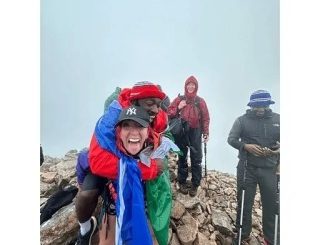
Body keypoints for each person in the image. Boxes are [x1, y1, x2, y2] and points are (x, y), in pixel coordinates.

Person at [75, 82, 170, 245]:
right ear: (135, 101)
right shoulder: (111, 118)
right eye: (150, 104)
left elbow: (161, 134)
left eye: (158, 104)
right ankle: (86, 229)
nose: (155, 109)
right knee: (87, 195)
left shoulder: (158, 116)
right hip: (106, 164)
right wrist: (149, 170)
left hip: (133, 157)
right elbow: (98, 163)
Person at [227, 90, 280, 245]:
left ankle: (271, 239)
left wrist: (277, 151)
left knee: (272, 205)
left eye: (264, 105)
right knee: (244, 202)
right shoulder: (241, 120)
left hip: (271, 169)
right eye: (257, 106)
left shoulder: (279, 120)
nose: (261, 109)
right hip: (246, 167)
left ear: (268, 104)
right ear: (251, 106)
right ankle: (243, 236)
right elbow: (231, 139)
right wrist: (246, 146)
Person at [167, 75, 210, 197]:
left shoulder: (200, 101)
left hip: (196, 131)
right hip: (182, 131)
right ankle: (182, 181)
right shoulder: (179, 99)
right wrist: (179, 107)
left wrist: (206, 132)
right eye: (188, 85)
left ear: (196, 87)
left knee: (196, 158)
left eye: (193, 85)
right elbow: (169, 112)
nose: (190, 87)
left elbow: (206, 118)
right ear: (185, 86)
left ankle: (195, 183)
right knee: (182, 156)